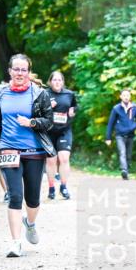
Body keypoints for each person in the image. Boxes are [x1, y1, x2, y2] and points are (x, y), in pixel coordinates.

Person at [0, 54, 56, 257]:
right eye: (16, 69)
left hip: (34, 152)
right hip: (8, 150)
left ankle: (30, 222)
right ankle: (15, 243)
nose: (20, 73)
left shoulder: (39, 94)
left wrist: (31, 123)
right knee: (14, 196)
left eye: (24, 70)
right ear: (10, 71)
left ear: (28, 72)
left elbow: (49, 121)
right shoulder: (0, 93)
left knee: (32, 199)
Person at [45, 71, 77, 200]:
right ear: (50, 82)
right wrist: (48, 107)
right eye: (54, 80)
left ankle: (63, 187)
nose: (57, 82)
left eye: (59, 80)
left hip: (64, 130)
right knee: (51, 160)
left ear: (63, 82)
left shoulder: (69, 94)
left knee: (64, 158)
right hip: (49, 132)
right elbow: (37, 110)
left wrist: (73, 111)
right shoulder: (45, 94)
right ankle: (51, 188)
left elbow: (74, 106)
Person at [105, 89, 136, 180]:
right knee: (122, 153)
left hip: (130, 135)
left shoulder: (134, 107)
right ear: (121, 97)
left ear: (130, 97)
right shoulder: (116, 108)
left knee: (128, 155)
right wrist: (108, 137)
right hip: (120, 135)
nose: (126, 97)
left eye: (128, 95)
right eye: (124, 95)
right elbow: (111, 123)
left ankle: (126, 170)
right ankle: (124, 170)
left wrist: (133, 127)